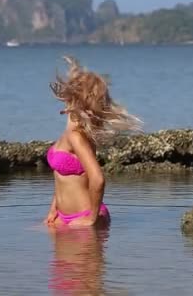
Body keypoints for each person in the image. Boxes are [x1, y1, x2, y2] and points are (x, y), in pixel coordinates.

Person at [44, 56, 142, 227]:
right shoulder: (70, 132)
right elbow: (61, 178)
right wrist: (53, 209)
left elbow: (97, 179)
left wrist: (91, 219)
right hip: (62, 217)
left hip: (84, 216)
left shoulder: (77, 136)